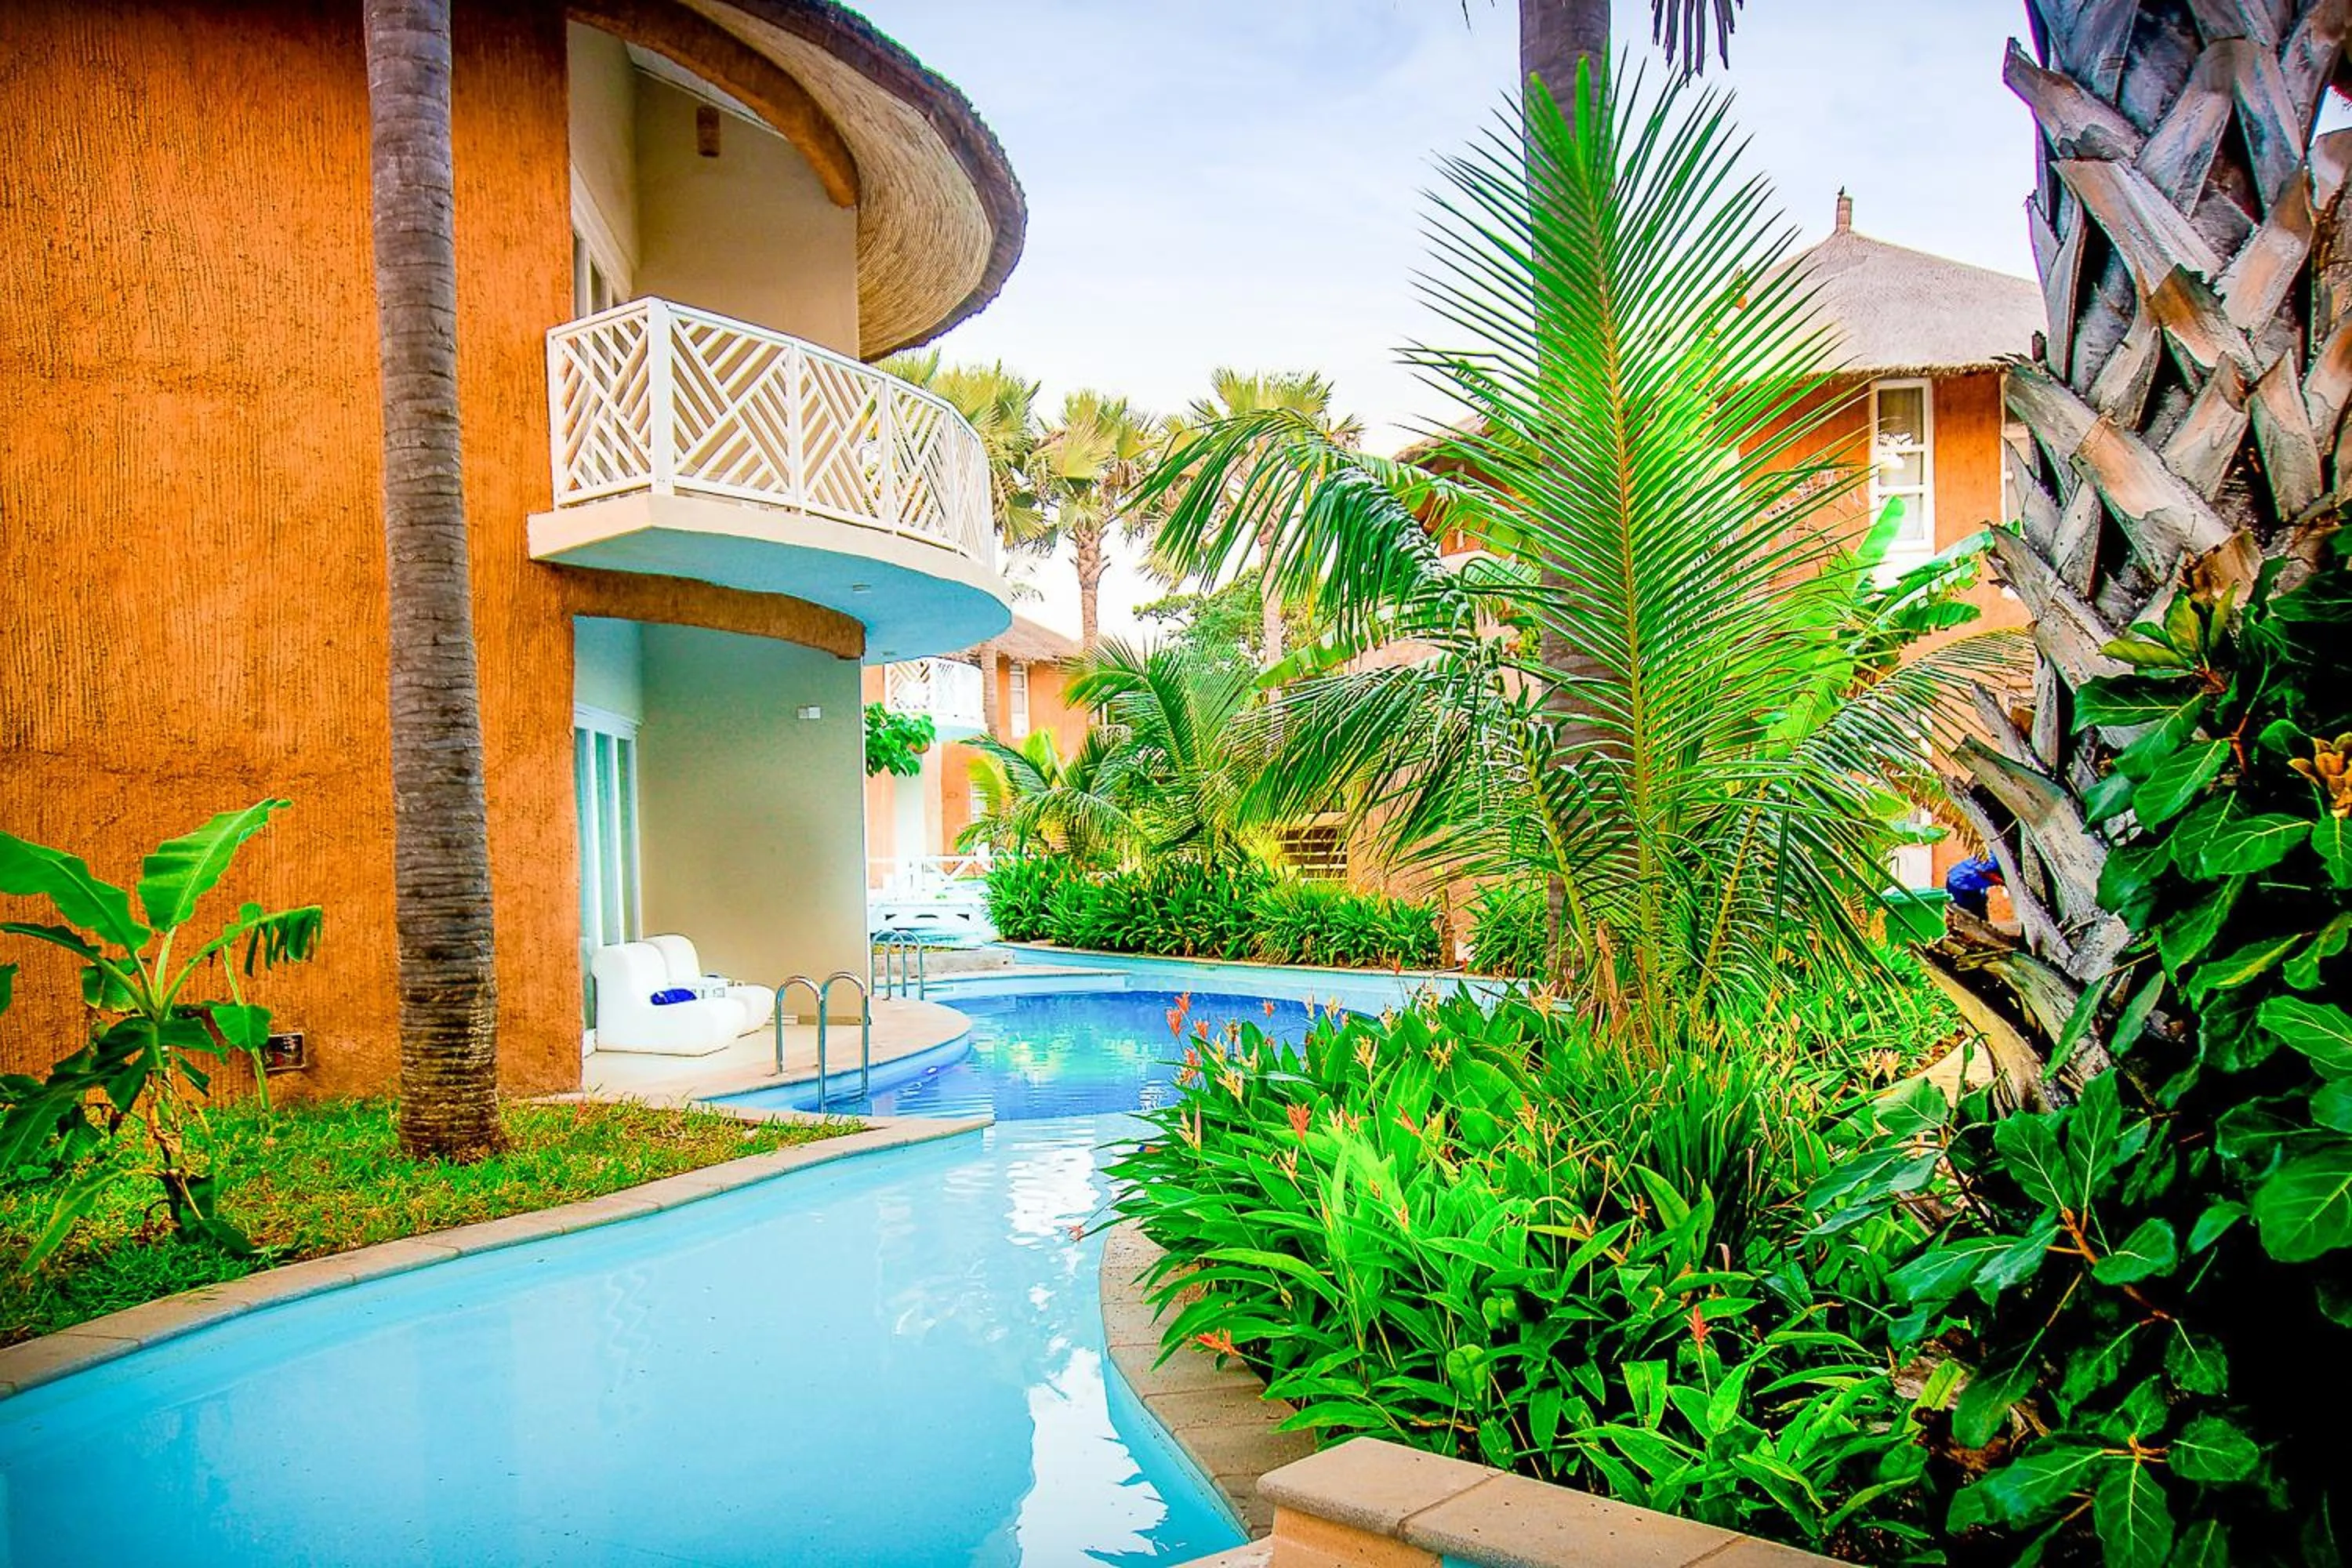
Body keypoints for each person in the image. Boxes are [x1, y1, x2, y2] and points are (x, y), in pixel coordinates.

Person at [1945, 855, 2005, 920]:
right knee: (1970, 917)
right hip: (1960, 885)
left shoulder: (1997, 855)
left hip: (1963, 880)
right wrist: (2003, 882)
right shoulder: (1996, 861)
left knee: (1980, 912)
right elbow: (1983, 872)